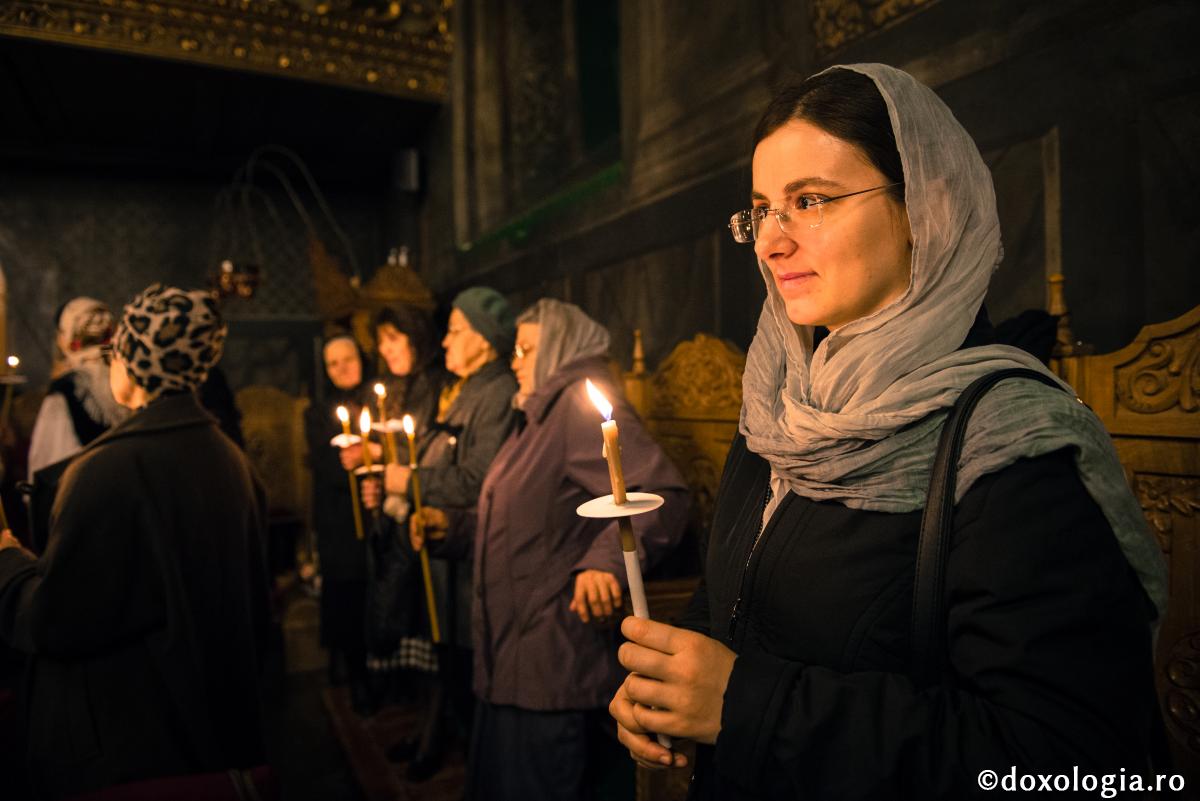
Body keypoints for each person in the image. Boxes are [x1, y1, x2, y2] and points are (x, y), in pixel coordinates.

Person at [608, 65, 1167, 800]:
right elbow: (730, 594)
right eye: (760, 211)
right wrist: (674, 684)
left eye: (809, 200)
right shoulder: (774, 405)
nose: (772, 243)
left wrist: (747, 706)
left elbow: (1074, 765)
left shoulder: (1011, 449)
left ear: (924, 208)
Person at [410, 298, 689, 800]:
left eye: (526, 347)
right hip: (511, 656)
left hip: (551, 659)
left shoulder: (579, 408)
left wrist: (604, 565)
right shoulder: (536, 416)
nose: (513, 358)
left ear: (558, 347)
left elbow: (663, 497)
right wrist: (451, 528)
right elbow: (521, 524)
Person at [0, 283, 269, 799]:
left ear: (134, 361)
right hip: (212, 722)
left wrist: (7, 559)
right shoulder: (230, 460)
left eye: (117, 350)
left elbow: (55, 622)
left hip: (133, 739)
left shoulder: (106, 469)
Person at [361, 286, 519, 780]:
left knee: (463, 663)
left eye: (455, 331)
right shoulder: (467, 386)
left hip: (467, 548)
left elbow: (477, 478)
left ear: (485, 339)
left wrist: (402, 481)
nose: (444, 342)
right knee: (443, 656)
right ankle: (444, 739)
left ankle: (473, 764)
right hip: (441, 544)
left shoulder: (496, 392)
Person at [304, 333, 371, 711]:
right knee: (347, 594)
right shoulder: (316, 413)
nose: (343, 368)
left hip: (377, 508)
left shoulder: (380, 399)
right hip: (340, 518)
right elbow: (329, 466)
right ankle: (355, 674)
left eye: (349, 358)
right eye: (334, 363)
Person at [27, 296, 128, 476]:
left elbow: (48, 461)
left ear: (67, 335)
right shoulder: (130, 375)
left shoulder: (67, 386)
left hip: (88, 487)